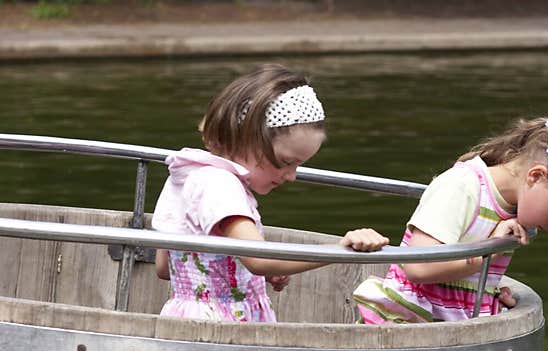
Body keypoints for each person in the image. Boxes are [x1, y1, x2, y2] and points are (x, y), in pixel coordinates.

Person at [152, 63, 389, 322]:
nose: (292, 175)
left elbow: (166, 267)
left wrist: (248, 275)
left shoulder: (189, 173)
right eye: (286, 162)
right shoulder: (222, 185)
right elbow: (260, 259)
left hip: (186, 316)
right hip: (222, 326)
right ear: (243, 139)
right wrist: (340, 250)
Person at [352, 115, 548, 324]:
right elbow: (419, 267)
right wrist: (488, 251)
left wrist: (486, 295)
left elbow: (460, 281)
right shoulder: (463, 187)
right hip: (407, 324)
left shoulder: (512, 208)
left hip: (454, 328)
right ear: (536, 176)